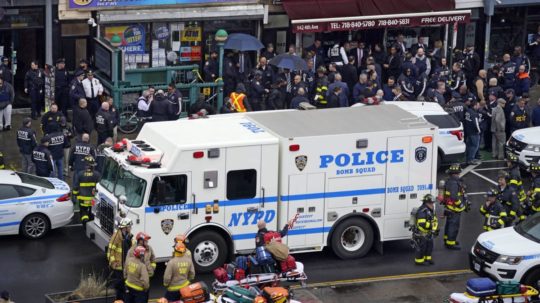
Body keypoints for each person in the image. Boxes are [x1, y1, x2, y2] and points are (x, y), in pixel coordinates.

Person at [441, 164, 467, 250]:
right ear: (455, 173)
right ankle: (450, 243)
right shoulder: (454, 183)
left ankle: (447, 239)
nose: (459, 174)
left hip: (450, 208)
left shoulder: (450, 181)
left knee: (449, 224)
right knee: (453, 226)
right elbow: (454, 197)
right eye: (458, 173)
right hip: (454, 209)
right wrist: (460, 204)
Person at [108, 218, 134, 301]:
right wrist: (113, 262)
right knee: (120, 285)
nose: (130, 228)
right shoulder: (116, 237)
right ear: (125, 227)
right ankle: (119, 300)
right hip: (118, 266)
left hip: (127, 266)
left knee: (125, 284)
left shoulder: (129, 236)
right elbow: (110, 251)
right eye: (129, 226)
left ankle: (123, 299)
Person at [73, 155, 100, 224]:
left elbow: (75, 186)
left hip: (82, 198)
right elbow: (99, 187)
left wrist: (75, 196)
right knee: (92, 211)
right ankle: (90, 223)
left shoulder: (80, 174)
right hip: (93, 199)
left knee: (83, 211)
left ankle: (84, 222)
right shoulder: (97, 174)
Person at [413, 194, 439, 266]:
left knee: (429, 246)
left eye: (433, 203)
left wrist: (435, 228)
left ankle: (427, 258)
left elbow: (433, 219)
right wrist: (431, 226)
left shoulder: (429, 210)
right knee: (422, 247)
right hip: (422, 233)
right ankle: (419, 261)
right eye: (431, 203)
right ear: (426, 203)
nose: (432, 205)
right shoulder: (422, 211)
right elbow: (422, 224)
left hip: (428, 232)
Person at [464, 101, 481, 165]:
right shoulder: (474, 113)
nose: (479, 106)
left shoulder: (468, 111)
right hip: (474, 132)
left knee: (469, 146)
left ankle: (468, 159)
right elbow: (476, 123)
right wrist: (479, 131)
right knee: (474, 146)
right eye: (478, 105)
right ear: (474, 105)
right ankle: (471, 159)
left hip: (468, 132)